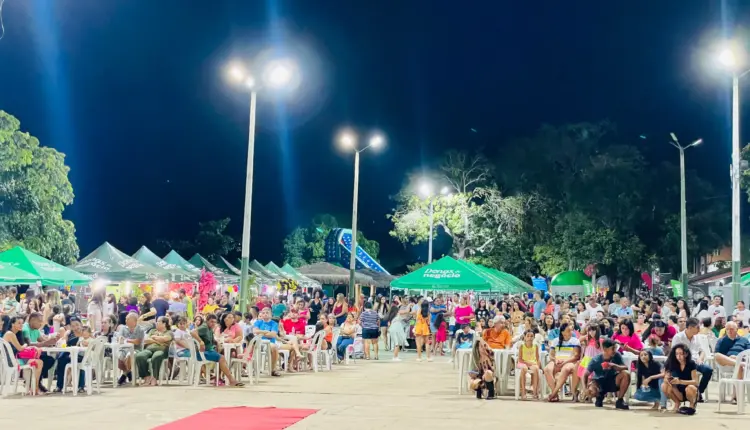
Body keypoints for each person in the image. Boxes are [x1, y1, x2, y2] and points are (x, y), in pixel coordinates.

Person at [193, 313, 245, 386]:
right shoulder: (204, 327)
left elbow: (211, 340)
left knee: (221, 355)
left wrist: (216, 342)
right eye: (211, 321)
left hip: (207, 351)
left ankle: (219, 377)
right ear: (207, 321)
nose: (213, 323)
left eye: (215, 322)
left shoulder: (210, 329)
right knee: (222, 358)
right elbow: (192, 332)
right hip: (201, 353)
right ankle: (231, 380)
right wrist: (200, 342)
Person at [671, 317, 712, 401]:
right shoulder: (678, 337)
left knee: (708, 369)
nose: (699, 329)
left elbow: (702, 351)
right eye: (697, 327)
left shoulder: (697, 337)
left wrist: (700, 358)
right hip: (682, 362)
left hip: (695, 362)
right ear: (690, 327)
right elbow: (674, 353)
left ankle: (699, 392)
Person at [2, 316, 44, 395]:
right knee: (39, 362)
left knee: (38, 362)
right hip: (13, 361)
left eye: (22, 323)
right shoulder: (10, 334)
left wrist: (31, 346)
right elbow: (20, 348)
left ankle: (33, 388)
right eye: (19, 323)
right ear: (12, 324)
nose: (21, 325)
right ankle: (35, 388)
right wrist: (25, 345)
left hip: (14, 359)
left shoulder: (15, 333)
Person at [584, 339, 630, 410]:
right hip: (599, 382)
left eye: (615, 348)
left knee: (626, 374)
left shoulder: (616, 355)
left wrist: (615, 366)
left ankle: (620, 400)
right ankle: (599, 396)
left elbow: (625, 367)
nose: (614, 350)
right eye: (612, 348)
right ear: (605, 349)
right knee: (592, 390)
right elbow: (585, 374)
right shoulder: (596, 360)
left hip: (613, 380)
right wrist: (585, 388)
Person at [545, 322, 581, 402]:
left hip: (570, 361)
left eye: (571, 330)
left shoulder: (575, 341)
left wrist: (564, 362)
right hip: (557, 361)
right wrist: (555, 360)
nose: (571, 332)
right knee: (547, 369)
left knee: (566, 369)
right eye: (568, 330)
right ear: (562, 332)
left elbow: (576, 356)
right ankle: (555, 395)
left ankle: (553, 394)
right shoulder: (555, 341)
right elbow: (551, 355)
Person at [135, 316, 173, 386]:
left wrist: (153, 337)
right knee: (140, 356)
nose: (156, 323)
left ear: (164, 324)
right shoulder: (152, 331)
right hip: (149, 349)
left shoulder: (169, 332)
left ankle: (155, 378)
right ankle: (146, 376)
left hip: (161, 350)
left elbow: (165, 339)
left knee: (156, 357)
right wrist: (157, 341)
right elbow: (146, 340)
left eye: (158, 321)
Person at [662, 344, 699, 414]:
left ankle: (692, 406)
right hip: (677, 389)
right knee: (664, 385)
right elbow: (666, 376)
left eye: (681, 354)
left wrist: (680, 381)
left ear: (686, 354)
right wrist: (668, 379)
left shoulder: (691, 363)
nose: (678, 356)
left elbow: (695, 382)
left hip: (688, 388)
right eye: (676, 354)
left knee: (691, 387)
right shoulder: (672, 363)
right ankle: (677, 403)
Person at [116, 312, 145, 385]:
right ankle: (129, 373)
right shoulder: (123, 328)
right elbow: (119, 338)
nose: (126, 320)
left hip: (136, 349)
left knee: (130, 355)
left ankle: (124, 375)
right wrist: (120, 339)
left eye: (127, 319)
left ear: (134, 321)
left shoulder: (140, 329)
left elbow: (137, 342)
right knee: (117, 357)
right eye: (126, 319)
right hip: (123, 349)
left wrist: (126, 340)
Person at [517, 330, 541, 400]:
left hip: (532, 363)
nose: (530, 338)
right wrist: (528, 363)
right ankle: (523, 392)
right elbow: (520, 359)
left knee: (536, 369)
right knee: (524, 368)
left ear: (534, 337)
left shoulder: (535, 346)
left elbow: (537, 358)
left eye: (531, 336)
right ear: (524, 337)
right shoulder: (522, 346)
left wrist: (538, 366)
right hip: (523, 362)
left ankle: (535, 392)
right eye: (528, 336)